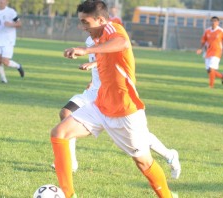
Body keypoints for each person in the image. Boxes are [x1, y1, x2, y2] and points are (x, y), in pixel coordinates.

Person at [51, 1, 178, 198]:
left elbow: (123, 43)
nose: (83, 27)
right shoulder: (97, 39)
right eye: (81, 22)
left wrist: (86, 51)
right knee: (59, 133)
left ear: (101, 19)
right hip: (100, 105)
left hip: (125, 111)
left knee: (143, 162)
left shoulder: (113, 28)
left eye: (86, 22)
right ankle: (68, 194)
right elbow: (107, 63)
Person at [0, 0, 24, 84]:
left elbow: (19, 24)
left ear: (6, 1)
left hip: (8, 40)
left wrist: (11, 24)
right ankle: (3, 79)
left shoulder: (11, 12)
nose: (1, 1)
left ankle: (18, 66)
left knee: (5, 62)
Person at [196, 16, 223, 88]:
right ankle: (222, 76)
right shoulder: (207, 31)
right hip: (208, 52)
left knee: (211, 68)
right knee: (209, 71)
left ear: (218, 22)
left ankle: (211, 86)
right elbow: (203, 41)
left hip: (217, 52)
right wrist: (200, 48)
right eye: (212, 21)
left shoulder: (221, 30)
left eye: (215, 21)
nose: (213, 22)